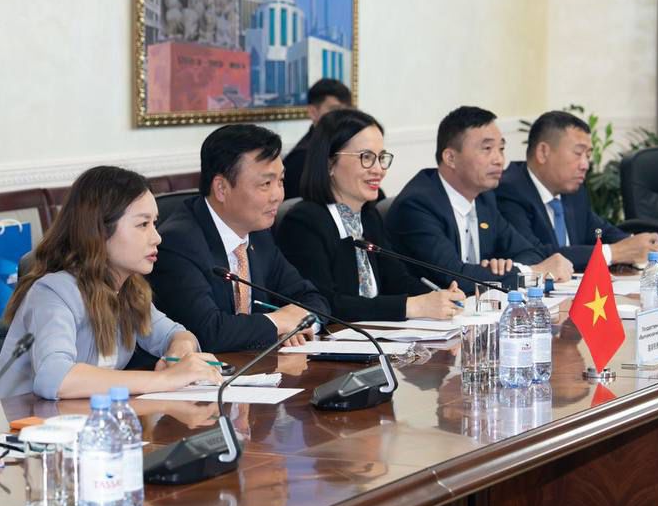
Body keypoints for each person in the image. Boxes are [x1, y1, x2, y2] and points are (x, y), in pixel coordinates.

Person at [0, 166, 220, 401]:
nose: (157, 237)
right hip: (14, 421)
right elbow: (56, 378)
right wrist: (166, 379)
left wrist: (180, 353)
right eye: (143, 224)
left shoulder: (129, 290)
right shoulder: (53, 293)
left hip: (77, 418)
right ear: (100, 230)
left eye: (155, 223)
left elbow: (176, 334)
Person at [149, 124, 329, 352]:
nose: (278, 195)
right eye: (266, 184)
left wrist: (298, 326)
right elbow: (207, 332)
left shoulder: (258, 233)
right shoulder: (178, 243)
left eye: (281, 181)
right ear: (221, 188)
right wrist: (278, 322)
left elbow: (313, 299)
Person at [276, 108, 464, 321]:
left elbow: (397, 281)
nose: (379, 170)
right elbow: (325, 304)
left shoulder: (368, 217)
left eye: (381, 158)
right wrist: (413, 306)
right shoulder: (303, 223)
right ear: (329, 164)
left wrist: (439, 297)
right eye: (366, 157)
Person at [385, 106, 575, 294]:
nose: (499, 159)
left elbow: (531, 252)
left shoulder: (484, 199)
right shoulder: (417, 205)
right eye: (487, 149)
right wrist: (531, 272)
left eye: (501, 148)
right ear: (450, 157)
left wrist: (506, 266)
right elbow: (455, 278)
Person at [497, 110, 658, 266]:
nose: (585, 165)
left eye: (587, 156)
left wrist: (636, 243)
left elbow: (600, 231)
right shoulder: (509, 191)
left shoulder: (572, 191)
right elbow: (532, 255)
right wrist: (614, 252)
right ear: (543, 152)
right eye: (578, 153)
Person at [283, 78, 352, 199]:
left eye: (346, 110)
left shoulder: (350, 147)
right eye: (335, 110)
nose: (343, 117)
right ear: (313, 112)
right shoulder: (301, 159)